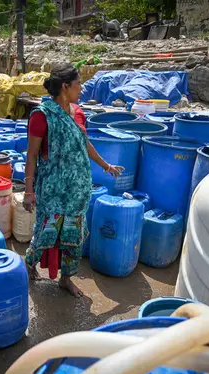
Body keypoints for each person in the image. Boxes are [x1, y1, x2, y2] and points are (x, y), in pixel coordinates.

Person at [23, 63, 124, 297]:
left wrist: (105, 165)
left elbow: (83, 143)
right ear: (65, 86)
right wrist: (29, 190)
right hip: (52, 189)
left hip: (77, 190)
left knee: (74, 234)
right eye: (78, 83)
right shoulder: (42, 115)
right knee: (46, 231)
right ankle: (29, 264)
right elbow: (32, 154)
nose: (82, 88)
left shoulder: (78, 112)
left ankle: (66, 278)